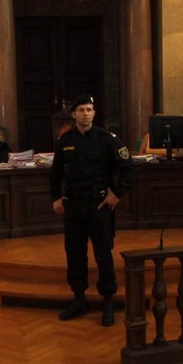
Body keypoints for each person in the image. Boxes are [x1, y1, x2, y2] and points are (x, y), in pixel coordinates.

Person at [50, 95, 136, 326]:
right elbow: (56, 172)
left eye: (89, 109)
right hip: (74, 205)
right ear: (74, 114)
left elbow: (129, 168)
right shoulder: (65, 140)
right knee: (75, 253)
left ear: (94, 113)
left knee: (103, 253)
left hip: (99, 205)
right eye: (81, 110)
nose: (85, 113)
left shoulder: (107, 139)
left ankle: (107, 301)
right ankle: (79, 299)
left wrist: (117, 194)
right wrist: (55, 197)